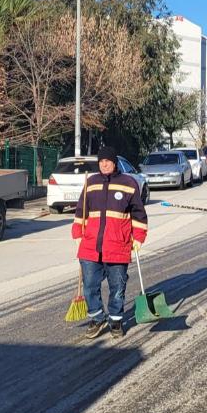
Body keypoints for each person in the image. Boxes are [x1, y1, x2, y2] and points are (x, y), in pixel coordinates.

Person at [73, 145, 147, 339]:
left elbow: (138, 214)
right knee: (90, 284)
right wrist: (77, 233)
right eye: (101, 161)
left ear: (115, 163)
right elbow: (81, 210)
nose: (104, 164)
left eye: (108, 161)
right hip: (90, 244)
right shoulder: (91, 183)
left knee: (117, 286)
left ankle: (115, 320)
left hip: (118, 244)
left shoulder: (128, 183)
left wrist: (138, 238)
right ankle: (97, 318)